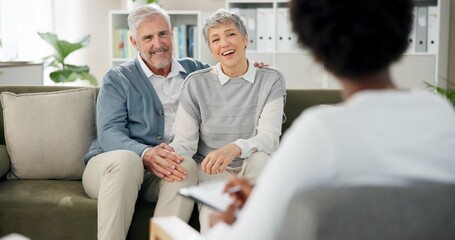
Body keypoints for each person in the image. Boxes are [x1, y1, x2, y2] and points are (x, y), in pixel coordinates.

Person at [200, 0, 455, 239]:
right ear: (403, 31)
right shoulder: (441, 113)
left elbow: (250, 236)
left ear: (317, 54)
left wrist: (220, 225)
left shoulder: (320, 132)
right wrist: (265, 197)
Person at [81, 4, 212, 240]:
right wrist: (146, 153)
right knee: (128, 160)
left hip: (157, 175)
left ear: (171, 34)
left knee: (185, 165)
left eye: (162, 34)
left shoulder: (195, 71)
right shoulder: (118, 78)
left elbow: (230, 77)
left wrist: (255, 69)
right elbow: (109, 133)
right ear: (135, 43)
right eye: (148, 38)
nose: (157, 44)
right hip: (110, 169)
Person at [169, 9, 286, 234]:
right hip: (212, 169)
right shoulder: (196, 84)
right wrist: (164, 155)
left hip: (253, 164)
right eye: (215, 39)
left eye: (230, 34)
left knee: (261, 158)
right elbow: (184, 144)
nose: (224, 43)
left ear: (245, 39)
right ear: (211, 49)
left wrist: (234, 148)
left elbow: (269, 137)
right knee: (214, 214)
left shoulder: (271, 79)